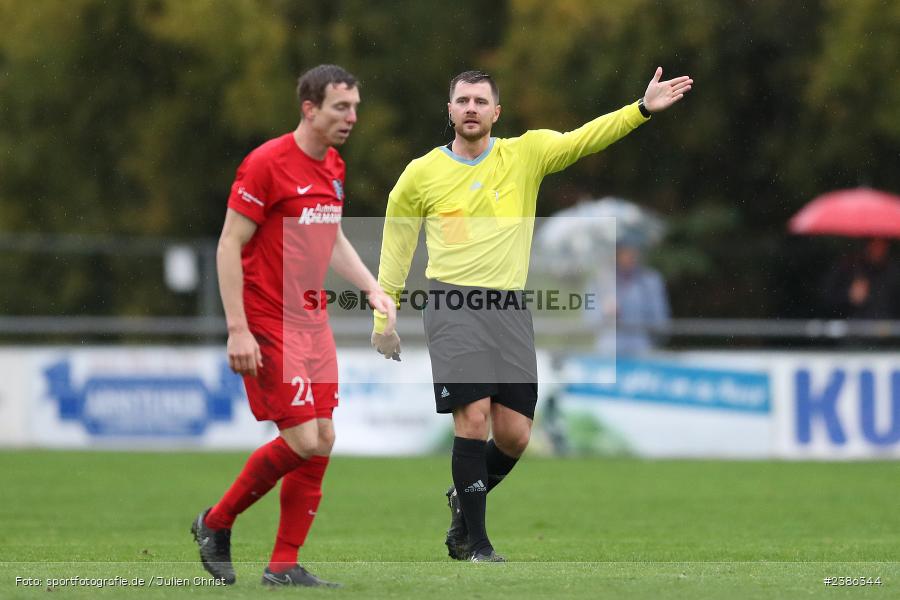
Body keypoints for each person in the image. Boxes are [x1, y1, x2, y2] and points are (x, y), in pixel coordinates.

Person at [371, 68, 691, 561]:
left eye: (481, 101)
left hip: (509, 308)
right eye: (463, 100)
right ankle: (475, 544)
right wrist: (384, 316)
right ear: (450, 110)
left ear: (496, 112)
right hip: (453, 305)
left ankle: (463, 497)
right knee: (472, 418)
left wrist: (641, 109)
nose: (471, 108)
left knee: (516, 436)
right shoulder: (420, 174)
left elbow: (585, 139)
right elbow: (397, 244)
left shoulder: (526, 154)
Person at [191, 64, 396, 587]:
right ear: (309, 108)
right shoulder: (266, 163)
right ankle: (216, 522)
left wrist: (371, 287)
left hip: (312, 318)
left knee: (323, 437)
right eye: (340, 107)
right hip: (267, 318)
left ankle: (283, 565)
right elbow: (229, 243)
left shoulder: (334, 165)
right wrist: (237, 329)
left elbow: (333, 236)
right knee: (303, 438)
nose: (352, 117)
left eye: (355, 107)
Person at [589, 241, 671, 356]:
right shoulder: (598, 282)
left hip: (641, 349)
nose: (628, 257)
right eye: (624, 253)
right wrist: (604, 311)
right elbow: (588, 319)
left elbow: (660, 321)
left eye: (632, 253)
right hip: (608, 350)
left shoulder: (651, 280)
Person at [821, 238, 900, 320]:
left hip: (888, 325)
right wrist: (848, 296)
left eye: (882, 244)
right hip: (854, 324)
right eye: (874, 243)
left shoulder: (894, 272)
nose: (878, 248)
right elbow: (827, 300)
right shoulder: (848, 268)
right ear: (866, 245)